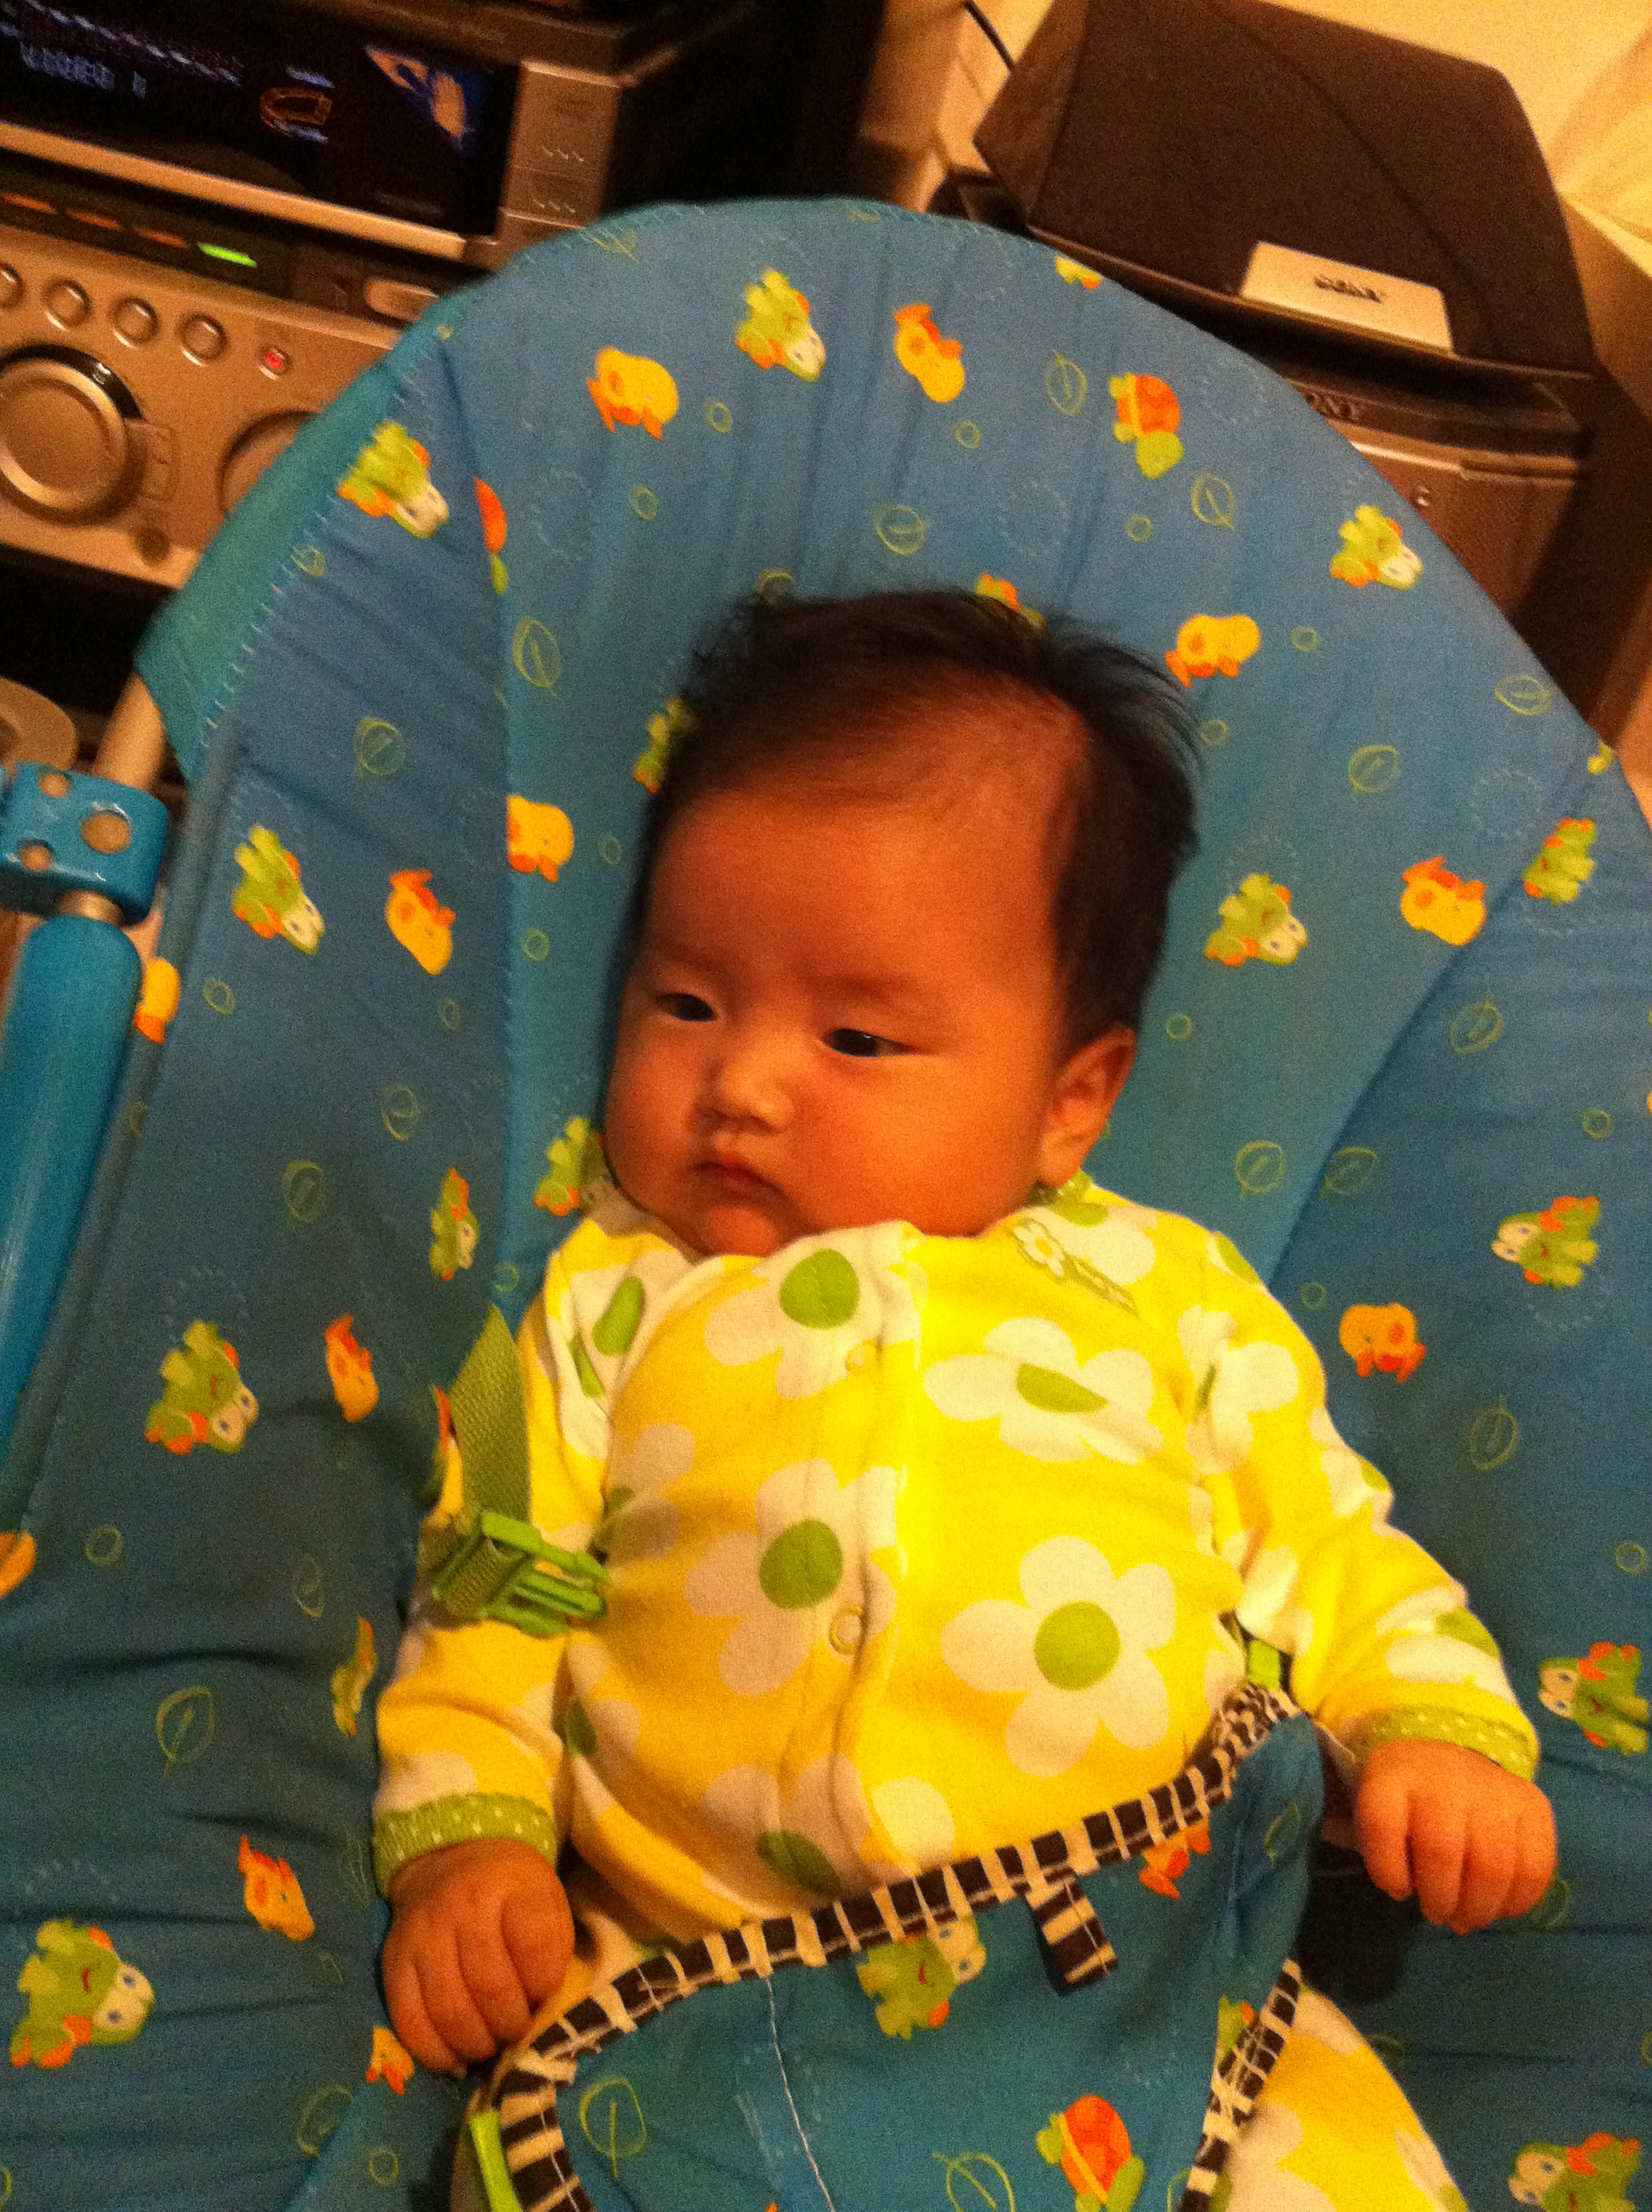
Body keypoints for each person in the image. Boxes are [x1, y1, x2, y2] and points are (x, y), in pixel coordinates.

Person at [374, 589, 1556, 2098]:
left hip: (1150, 1993)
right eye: (686, 1001)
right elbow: (494, 1581)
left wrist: (1433, 1732)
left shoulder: (1164, 1291)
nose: (741, 1084)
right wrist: (466, 1839)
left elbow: (1324, 1541)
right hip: (702, 1984)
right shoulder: (615, 1295)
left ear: (1071, 1100)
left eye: (857, 1039)